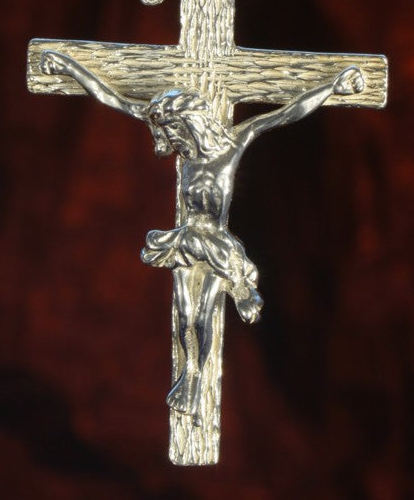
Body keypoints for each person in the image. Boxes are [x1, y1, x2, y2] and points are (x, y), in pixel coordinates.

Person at [41, 50, 364, 420]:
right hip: (186, 242)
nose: (170, 142)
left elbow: (285, 113)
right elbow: (114, 98)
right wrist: (68, 66)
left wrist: (333, 86)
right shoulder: (188, 158)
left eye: (173, 132)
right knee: (183, 316)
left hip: (216, 247)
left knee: (202, 316)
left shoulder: (233, 145)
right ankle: (189, 371)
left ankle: (198, 376)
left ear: (189, 124)